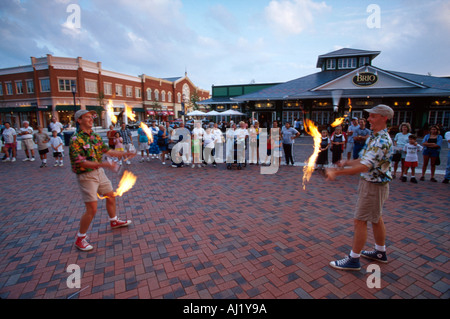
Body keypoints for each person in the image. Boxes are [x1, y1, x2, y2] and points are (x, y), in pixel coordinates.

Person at [326, 104, 394, 271]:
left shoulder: (381, 141)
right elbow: (362, 158)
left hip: (373, 186)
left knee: (360, 220)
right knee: (376, 218)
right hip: (373, 184)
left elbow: (364, 166)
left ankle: (353, 259)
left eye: (373, 116)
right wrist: (346, 162)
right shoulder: (374, 137)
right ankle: (380, 252)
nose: (369, 119)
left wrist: (337, 173)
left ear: (384, 118)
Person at [69, 110, 136, 251]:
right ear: (79, 120)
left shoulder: (95, 136)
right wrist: (105, 164)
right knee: (92, 208)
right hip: (86, 176)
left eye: (92, 116)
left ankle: (114, 221)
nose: (91, 119)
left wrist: (125, 153)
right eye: (87, 117)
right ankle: (80, 238)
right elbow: (80, 162)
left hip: (99, 173)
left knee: (110, 196)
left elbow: (108, 151)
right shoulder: (75, 139)